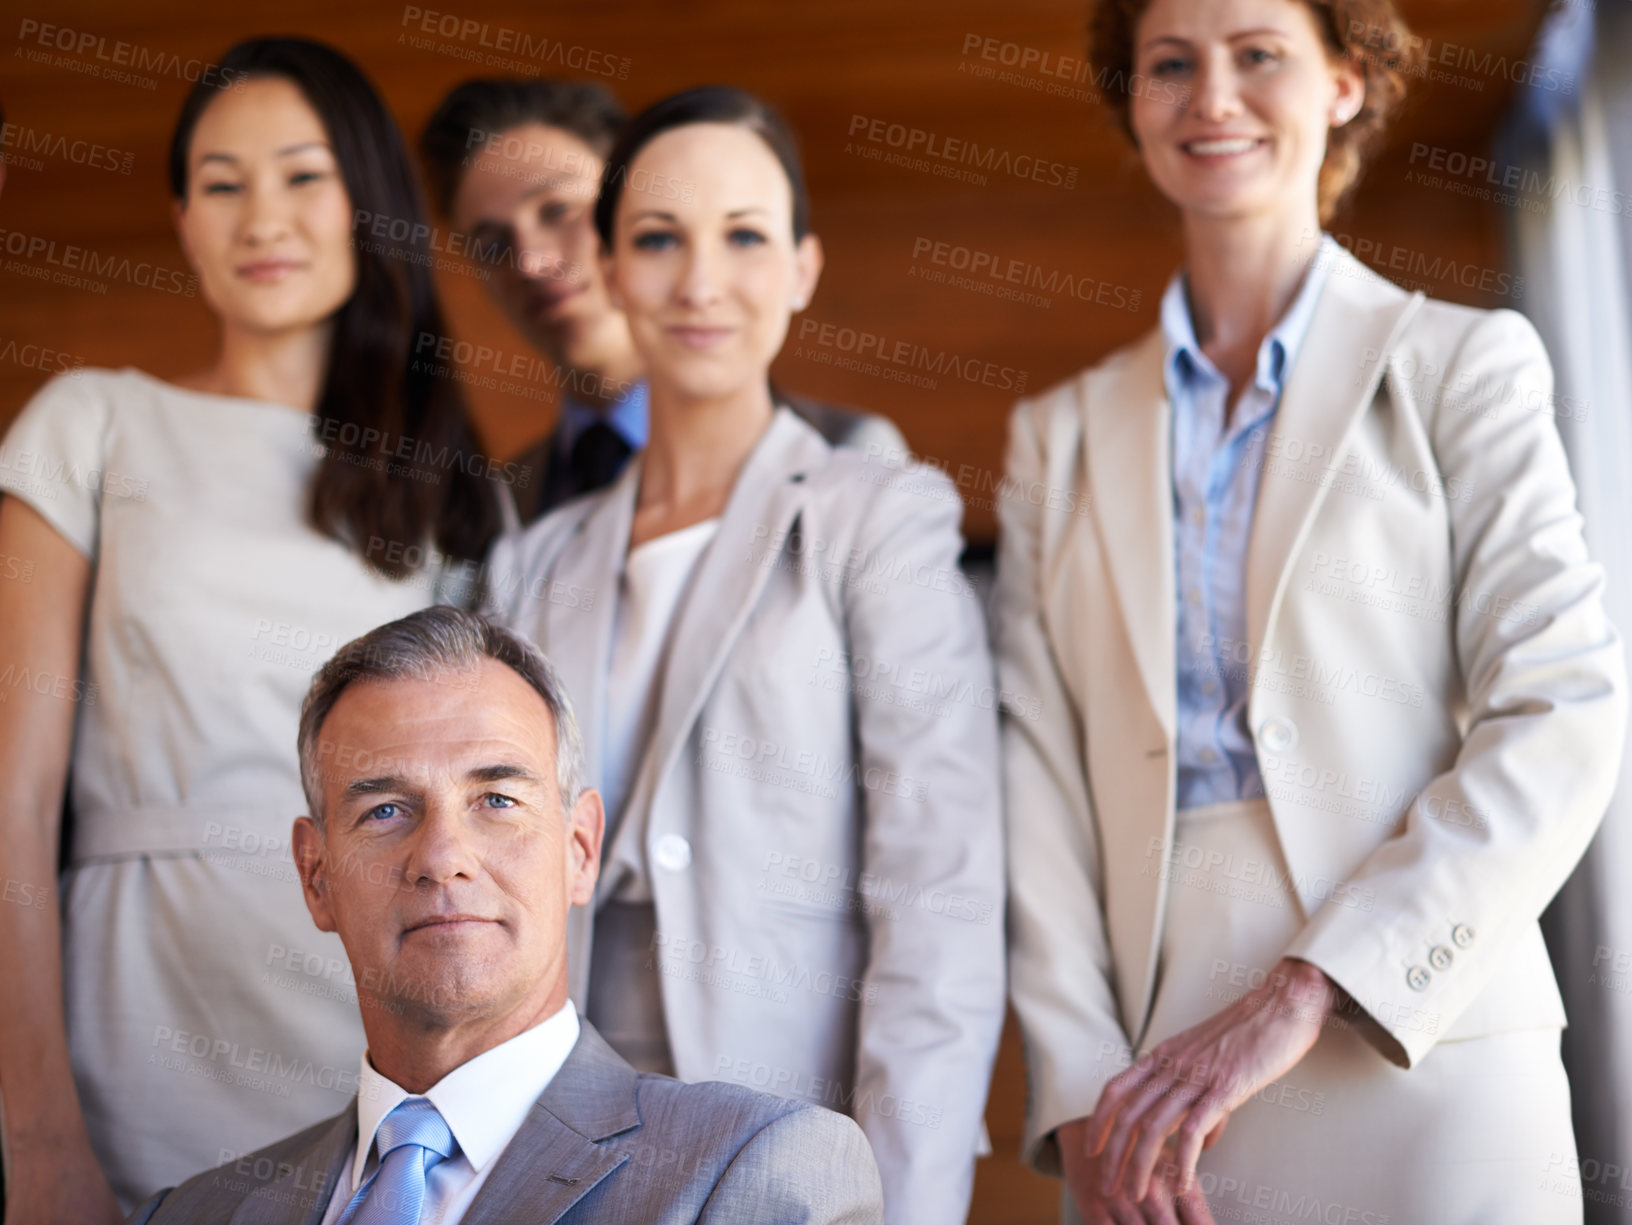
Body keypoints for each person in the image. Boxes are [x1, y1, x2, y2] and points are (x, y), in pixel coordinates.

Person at [997, 0, 1627, 1222]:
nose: (1212, 98)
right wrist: (1079, 1100)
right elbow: (1037, 785)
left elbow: (1563, 707)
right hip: (1159, 1103)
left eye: (1259, 56)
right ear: (1134, 99)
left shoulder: (1466, 364)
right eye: (1170, 64)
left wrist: (1311, 984)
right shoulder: (1054, 437)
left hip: (1429, 1055)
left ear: (1345, 80)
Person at [0, 38, 502, 1222]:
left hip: (375, 1010)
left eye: (301, 176)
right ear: (183, 220)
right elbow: (10, 799)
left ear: (366, 204)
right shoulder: (95, 422)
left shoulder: (444, 490)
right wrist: (33, 1132)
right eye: (222, 184)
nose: (260, 216)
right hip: (137, 1008)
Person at [485, 86, 1005, 1225]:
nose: (702, 281)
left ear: (805, 268)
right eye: (660, 239)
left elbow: (939, 894)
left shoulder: (881, 515)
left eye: (745, 237)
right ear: (612, 269)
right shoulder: (536, 562)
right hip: (562, 1147)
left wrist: (905, 1206)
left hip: (790, 1141)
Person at [128, 607, 885, 1225]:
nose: (443, 856)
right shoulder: (186, 1214)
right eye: (386, 809)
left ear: (580, 848)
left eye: (496, 800)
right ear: (315, 874)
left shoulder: (755, 1171)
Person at [419, 78, 906, 524]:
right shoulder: (501, 507)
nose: (531, 261)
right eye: (492, 245)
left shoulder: (850, 455)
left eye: (560, 211)